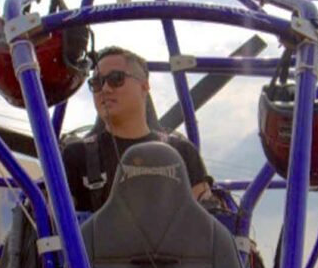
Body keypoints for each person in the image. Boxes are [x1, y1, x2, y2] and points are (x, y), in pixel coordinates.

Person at [61, 46, 212, 212]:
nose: (104, 89)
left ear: (144, 86)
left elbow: (205, 223)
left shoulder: (183, 152)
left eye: (116, 78)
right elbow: (55, 223)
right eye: (96, 83)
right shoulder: (75, 156)